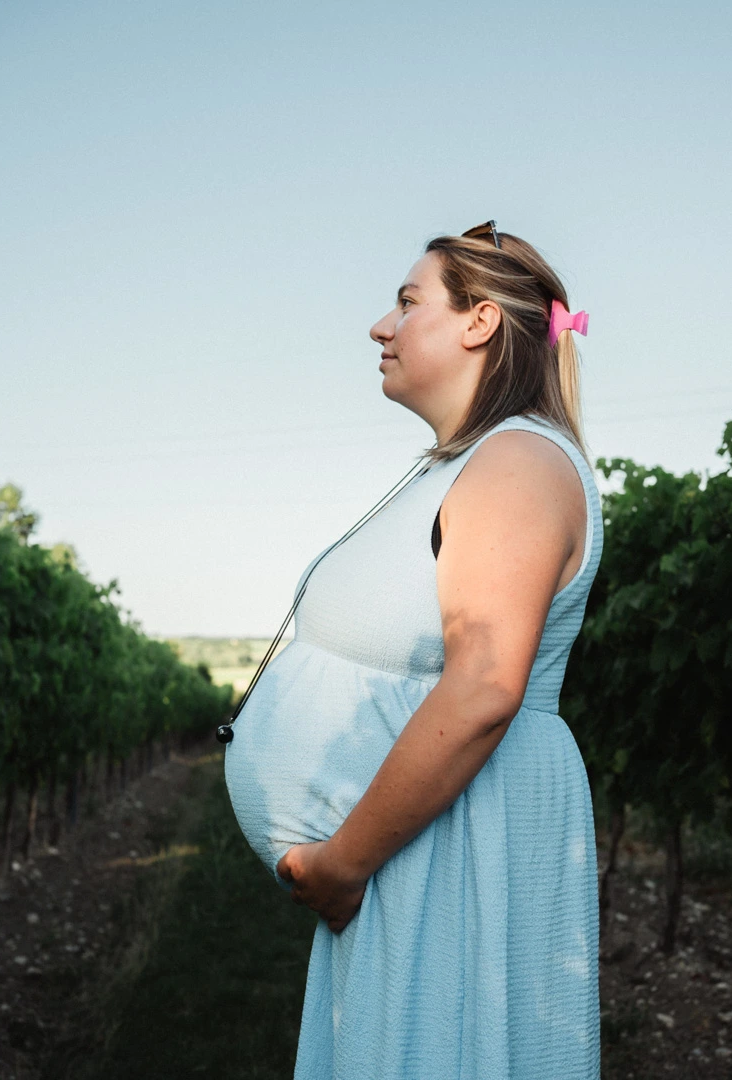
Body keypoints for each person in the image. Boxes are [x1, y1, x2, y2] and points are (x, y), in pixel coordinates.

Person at [223, 221, 603, 1079]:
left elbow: (483, 686)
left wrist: (342, 863)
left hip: (445, 847)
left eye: (407, 301)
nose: (380, 326)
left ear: (478, 324)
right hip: (415, 850)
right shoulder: (471, 462)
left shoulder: (518, 463)